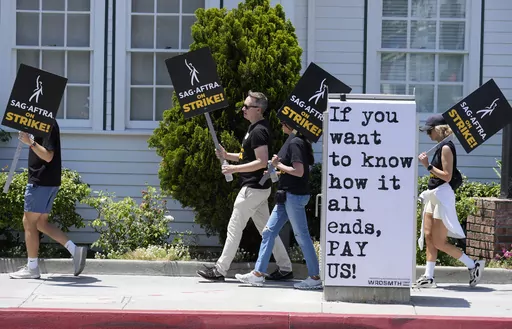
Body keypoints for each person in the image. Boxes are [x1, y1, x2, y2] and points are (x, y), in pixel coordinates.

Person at [197, 91, 293, 281]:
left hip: (252, 189)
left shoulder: (258, 131)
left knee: (234, 228)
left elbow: (261, 161)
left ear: (258, 110)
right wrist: (228, 155)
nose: (242, 109)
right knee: (267, 230)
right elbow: (247, 156)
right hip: (258, 189)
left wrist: (234, 169)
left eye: (246, 106)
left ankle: (220, 270)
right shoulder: (255, 128)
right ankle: (285, 267)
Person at [235, 120, 321, 290]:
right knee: (268, 232)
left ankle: (315, 277)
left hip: (294, 196)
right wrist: (277, 171)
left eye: (283, 123)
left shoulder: (296, 143)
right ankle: (258, 274)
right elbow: (294, 171)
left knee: (301, 236)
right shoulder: (298, 142)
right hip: (286, 196)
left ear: (291, 126)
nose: (281, 125)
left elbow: (299, 171)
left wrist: (278, 164)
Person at [9, 121, 87, 279]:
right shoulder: (39, 122)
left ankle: (32, 268)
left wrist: (29, 142)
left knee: (28, 222)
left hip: (41, 181)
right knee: (40, 223)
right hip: (47, 181)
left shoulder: (46, 123)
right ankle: (74, 250)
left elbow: (48, 155)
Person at [415, 114, 485, 288]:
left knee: (439, 241)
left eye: (430, 131)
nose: (428, 135)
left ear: (438, 130)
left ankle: (472, 264)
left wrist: (428, 166)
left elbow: (447, 176)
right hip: (433, 193)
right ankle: (428, 277)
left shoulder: (446, 147)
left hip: (442, 195)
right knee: (429, 237)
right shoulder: (440, 147)